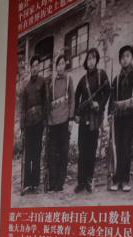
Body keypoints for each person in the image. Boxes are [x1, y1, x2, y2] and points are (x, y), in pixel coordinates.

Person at [109, 45, 133, 192]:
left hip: (130, 115)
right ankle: (116, 179)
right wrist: (110, 113)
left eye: (127, 56)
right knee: (117, 146)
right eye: (122, 57)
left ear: (132, 57)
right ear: (120, 60)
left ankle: (125, 180)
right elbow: (112, 97)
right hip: (118, 117)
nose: (125, 59)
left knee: (126, 146)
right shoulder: (117, 78)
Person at [74, 48, 110, 193]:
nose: (91, 61)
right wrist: (76, 114)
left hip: (94, 118)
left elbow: (107, 91)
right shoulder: (83, 80)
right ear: (86, 61)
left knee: (91, 149)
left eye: (93, 58)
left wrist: (99, 104)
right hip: (83, 118)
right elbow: (77, 96)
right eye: (89, 58)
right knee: (82, 149)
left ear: (97, 60)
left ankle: (89, 180)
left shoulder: (102, 75)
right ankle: (80, 182)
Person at [46, 54, 75, 192]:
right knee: (52, 153)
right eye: (58, 64)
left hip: (64, 121)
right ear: (56, 67)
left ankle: (60, 183)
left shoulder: (69, 79)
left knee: (63, 153)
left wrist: (71, 118)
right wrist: (48, 120)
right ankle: (52, 183)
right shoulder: (51, 82)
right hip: (53, 122)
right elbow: (48, 102)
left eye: (62, 63)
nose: (60, 66)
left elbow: (72, 99)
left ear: (65, 65)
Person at [20, 55, 48, 195]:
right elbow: (23, 107)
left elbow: (46, 102)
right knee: (28, 154)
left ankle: (35, 184)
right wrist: (22, 125)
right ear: (30, 68)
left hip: (38, 123)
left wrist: (45, 120)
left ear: (39, 67)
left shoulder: (42, 82)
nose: (35, 68)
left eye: (37, 65)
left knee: (36, 153)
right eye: (33, 66)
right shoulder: (26, 86)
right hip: (28, 124)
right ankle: (27, 183)